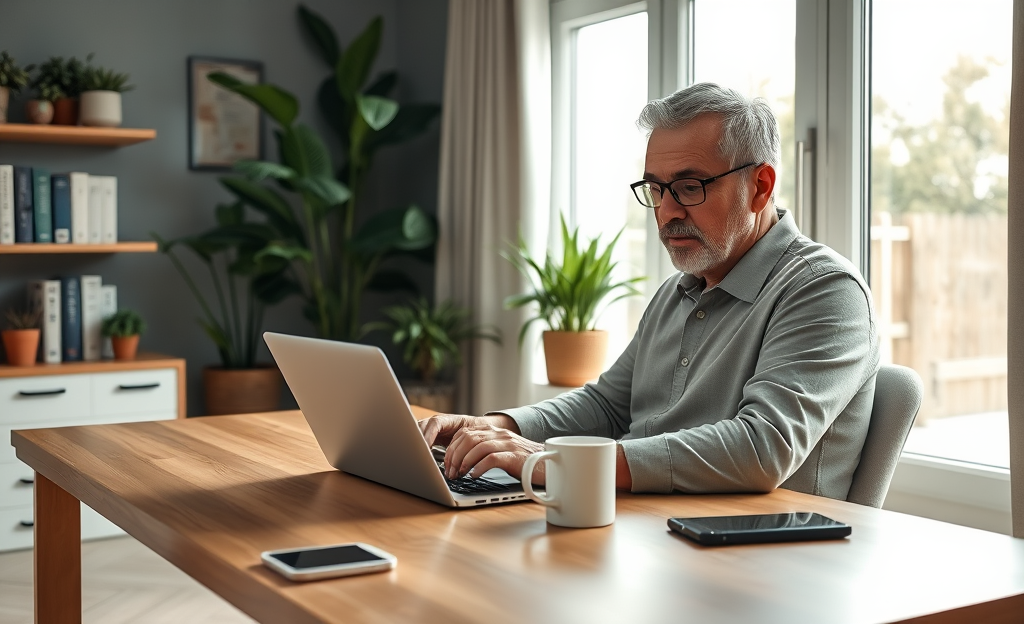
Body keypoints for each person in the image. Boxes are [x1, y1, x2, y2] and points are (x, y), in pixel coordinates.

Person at [419, 82, 879, 500]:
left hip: (755, 547)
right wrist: (496, 427)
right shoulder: (676, 292)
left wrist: (553, 460)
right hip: (648, 526)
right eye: (656, 189)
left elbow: (761, 449)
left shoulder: (825, 291)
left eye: (689, 187)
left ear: (760, 186)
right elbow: (607, 406)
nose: (667, 212)